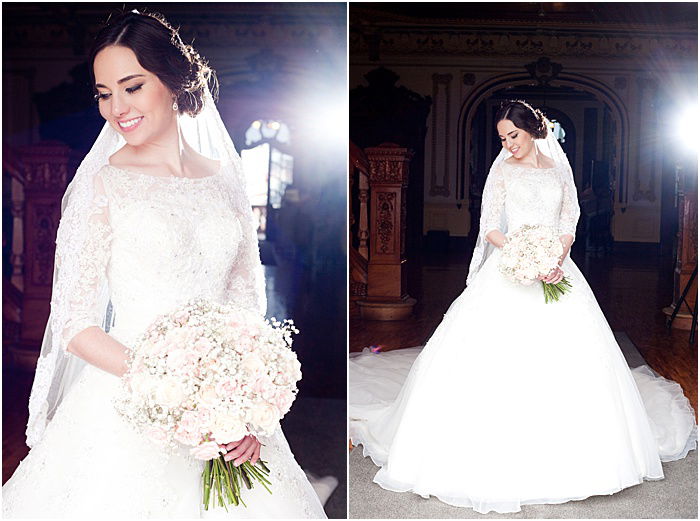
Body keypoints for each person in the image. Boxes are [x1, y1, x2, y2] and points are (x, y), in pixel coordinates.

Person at [3, 11, 327, 518]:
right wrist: (172, 390)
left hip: (228, 408)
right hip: (130, 399)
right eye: (104, 93)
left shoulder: (226, 179)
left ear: (173, 82)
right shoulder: (101, 186)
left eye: (131, 87)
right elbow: (74, 323)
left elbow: (245, 303)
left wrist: (244, 403)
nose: (116, 108)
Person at [349, 100, 697, 514]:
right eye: (502, 138)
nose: (508, 144)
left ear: (533, 130)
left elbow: (571, 214)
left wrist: (557, 251)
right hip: (509, 266)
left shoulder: (557, 170)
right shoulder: (503, 171)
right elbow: (490, 226)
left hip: (557, 266)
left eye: (513, 135)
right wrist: (518, 252)